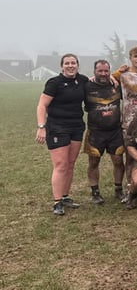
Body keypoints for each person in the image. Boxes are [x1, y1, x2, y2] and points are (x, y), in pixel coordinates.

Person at [36, 53, 89, 215]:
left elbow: (96, 83)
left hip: (76, 127)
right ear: (62, 66)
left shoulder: (83, 80)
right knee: (61, 165)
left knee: (71, 163)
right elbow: (42, 105)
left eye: (73, 63)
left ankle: (65, 196)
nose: (70, 65)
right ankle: (57, 202)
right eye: (67, 63)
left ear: (78, 65)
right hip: (57, 127)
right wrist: (41, 126)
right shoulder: (54, 83)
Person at [83, 59, 125, 204]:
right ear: (94, 71)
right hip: (95, 132)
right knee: (94, 162)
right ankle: (95, 193)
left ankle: (119, 190)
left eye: (106, 71)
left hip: (115, 131)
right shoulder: (86, 86)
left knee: (118, 161)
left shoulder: (116, 84)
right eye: (100, 71)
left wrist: (115, 75)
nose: (103, 74)